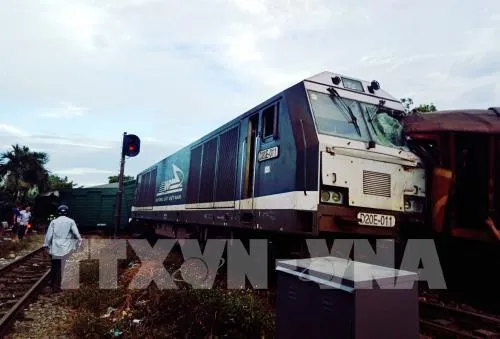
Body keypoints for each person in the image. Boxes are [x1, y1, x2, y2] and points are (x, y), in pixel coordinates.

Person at [43, 204, 83, 293]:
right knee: (63, 268)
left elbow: (49, 235)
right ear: (67, 212)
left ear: (58, 212)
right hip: (66, 249)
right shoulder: (71, 221)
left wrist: (46, 246)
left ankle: (53, 285)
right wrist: (79, 244)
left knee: (54, 267)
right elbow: (77, 235)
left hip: (55, 249)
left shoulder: (54, 222)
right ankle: (59, 286)